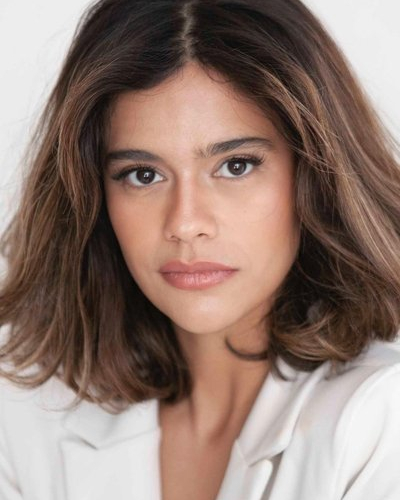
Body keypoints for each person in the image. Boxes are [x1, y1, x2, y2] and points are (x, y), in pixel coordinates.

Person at [1, 0, 400, 498]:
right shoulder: (22, 419)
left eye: (236, 166)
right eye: (142, 175)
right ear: (94, 196)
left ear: (315, 176)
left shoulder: (379, 422)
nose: (185, 224)